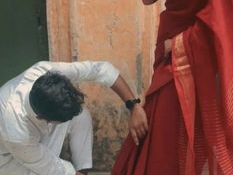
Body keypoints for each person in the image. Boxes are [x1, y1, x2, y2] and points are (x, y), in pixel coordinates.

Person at [112, 0, 233, 174]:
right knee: (164, 124)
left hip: (193, 51)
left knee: (166, 124)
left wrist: (181, 43)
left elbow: (223, 12)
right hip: (168, 48)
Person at [0, 60, 147, 175]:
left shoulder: (47, 72)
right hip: (9, 160)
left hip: (30, 141)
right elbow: (53, 168)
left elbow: (103, 69)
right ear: (44, 119)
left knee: (81, 115)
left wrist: (133, 106)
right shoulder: (16, 133)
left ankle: (83, 171)